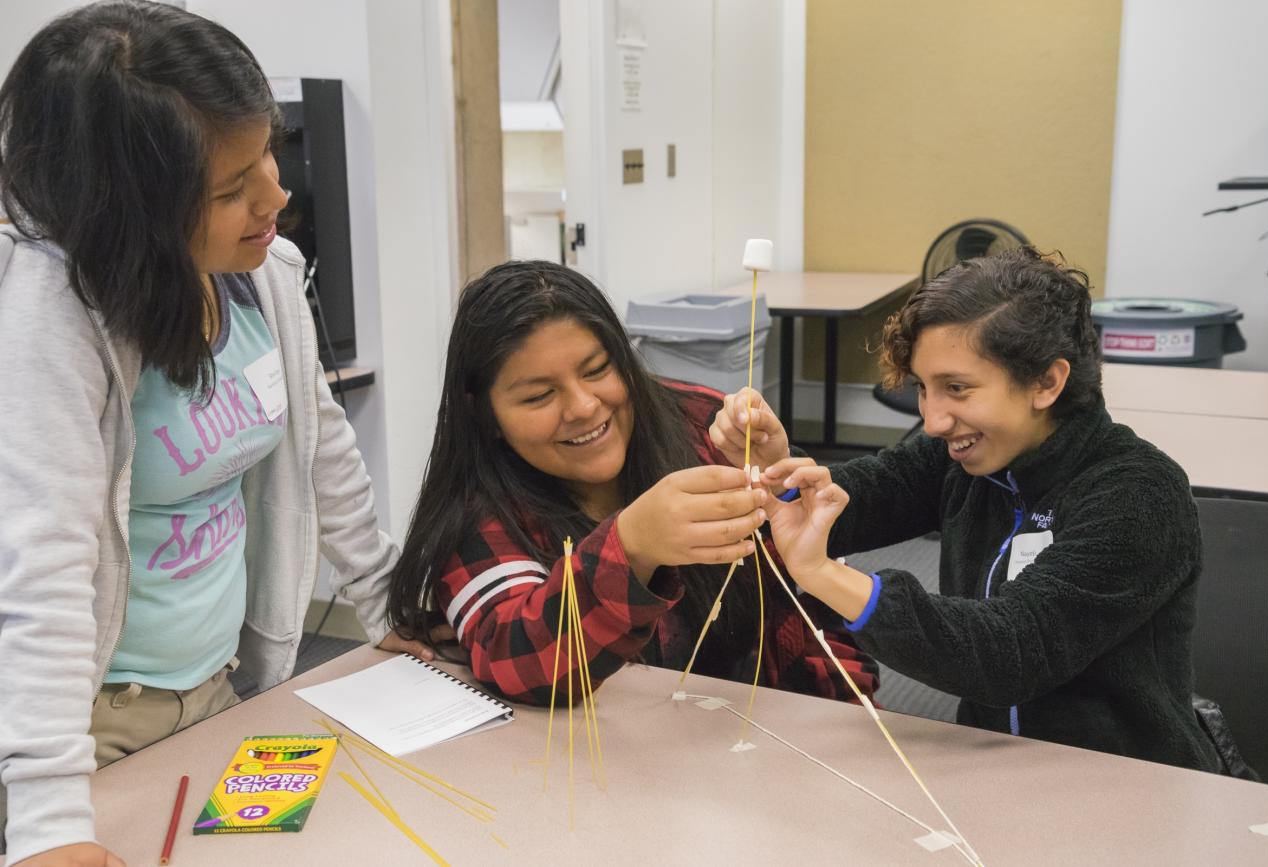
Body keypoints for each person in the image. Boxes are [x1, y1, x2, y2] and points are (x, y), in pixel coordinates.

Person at [0, 4, 441, 864]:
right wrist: (49, 826)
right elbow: (42, 568)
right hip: (87, 722)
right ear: (129, 212)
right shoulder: (49, 322)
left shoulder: (264, 277)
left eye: (267, 154)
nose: (276, 197)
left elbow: (324, 454)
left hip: (223, 684)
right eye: (231, 189)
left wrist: (390, 605)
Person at [711, 247, 1221, 772]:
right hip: (992, 766)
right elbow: (865, 495)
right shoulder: (963, 459)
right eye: (923, 389)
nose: (932, 420)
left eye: (956, 388)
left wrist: (820, 574)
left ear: (1047, 382)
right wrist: (784, 474)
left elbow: (1012, 651)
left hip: (1128, 778)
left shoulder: (1138, 494)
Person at [386, 260, 878, 708]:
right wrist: (633, 546)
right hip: (619, 778)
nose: (583, 407)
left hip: (771, 732)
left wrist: (783, 487)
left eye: (597, 370)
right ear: (485, 413)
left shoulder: (702, 423)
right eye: (539, 396)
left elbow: (806, 597)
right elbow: (521, 660)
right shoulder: (477, 513)